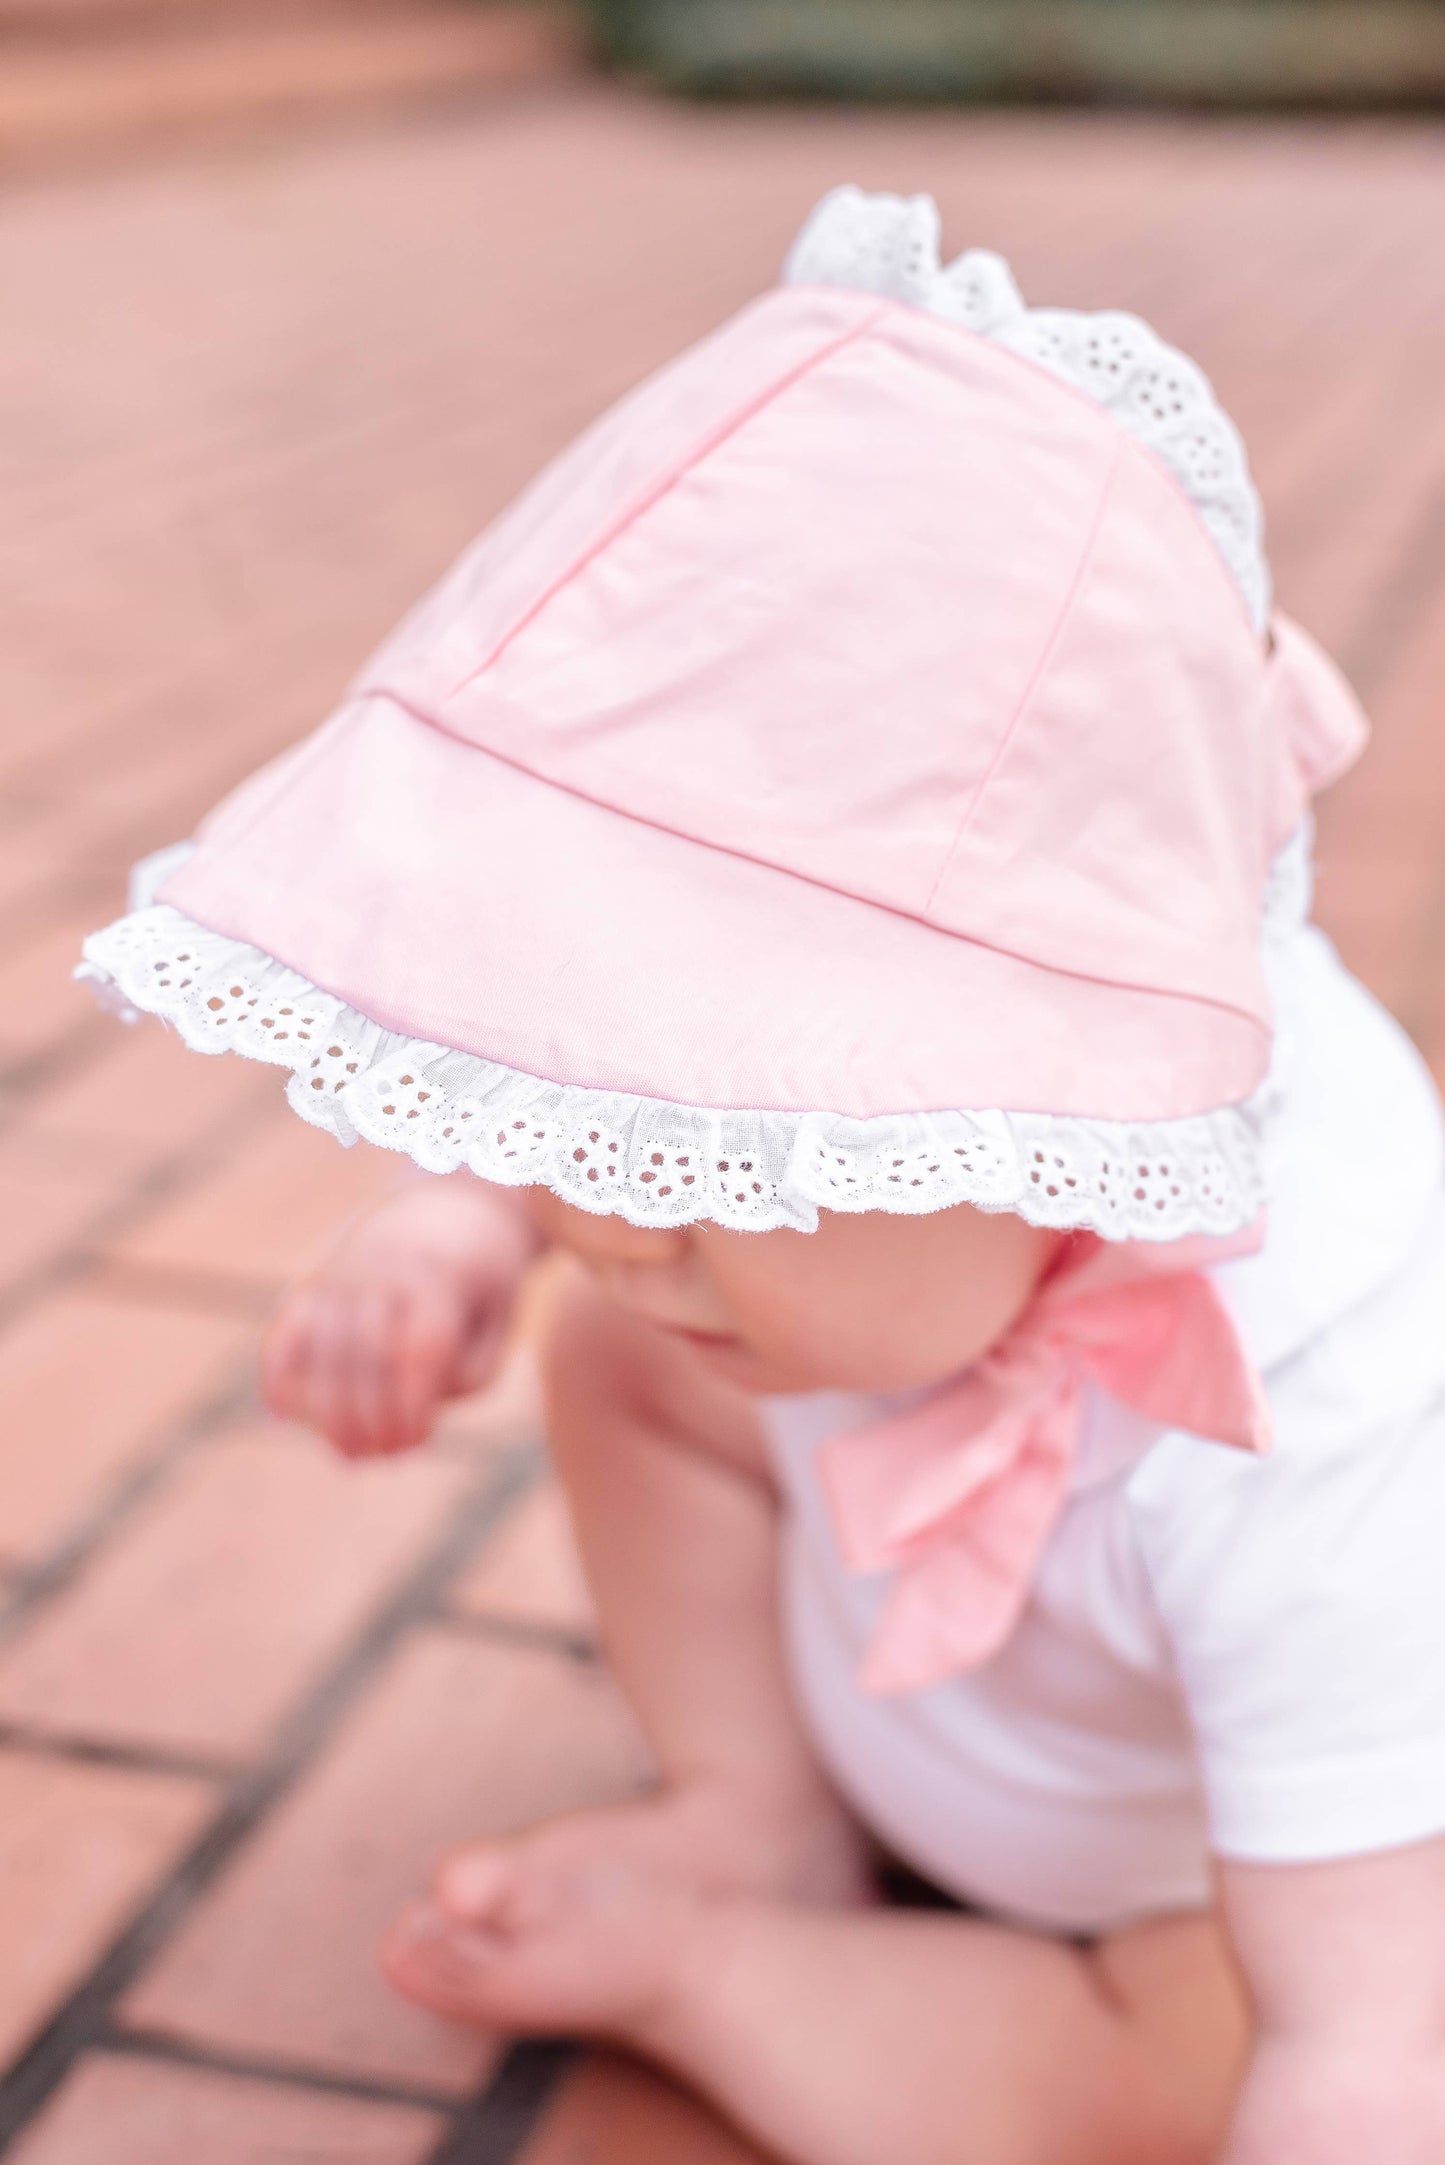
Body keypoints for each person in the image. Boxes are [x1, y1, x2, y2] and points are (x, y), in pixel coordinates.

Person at [80, 188, 1445, 2164]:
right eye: (584, 1109)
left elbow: (1373, 2054)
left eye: (718, 1141)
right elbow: (602, 1162)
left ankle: (736, 1980)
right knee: (628, 1350)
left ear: (1041, 1109)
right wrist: (470, 1207)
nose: (605, 1196)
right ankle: (757, 1815)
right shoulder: (813, 1239)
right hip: (912, 1700)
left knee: (1218, 2068)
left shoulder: (1334, 1404)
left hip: (1193, 1884)